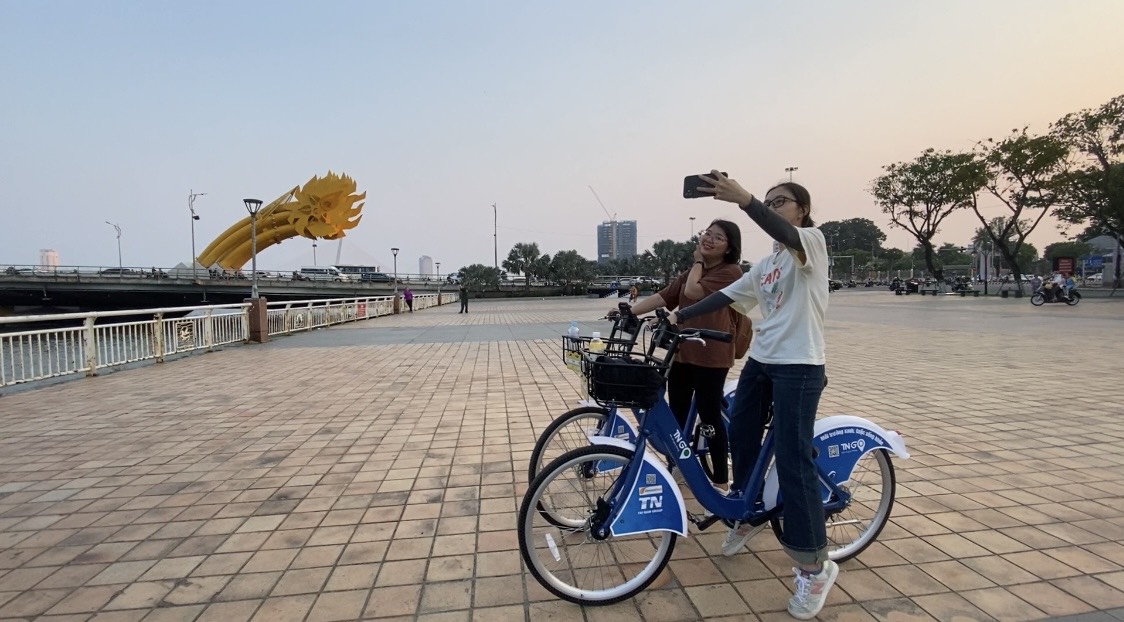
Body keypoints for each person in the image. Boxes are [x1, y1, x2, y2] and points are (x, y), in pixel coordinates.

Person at [669, 172, 836, 620]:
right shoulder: (766, 266)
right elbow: (726, 294)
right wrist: (679, 315)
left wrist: (745, 201)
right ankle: (749, 511)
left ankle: (814, 567)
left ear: (801, 210)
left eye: (781, 201)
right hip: (762, 361)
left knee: (792, 455)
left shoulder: (810, 243)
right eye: (769, 200)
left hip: (799, 364)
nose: (774, 206)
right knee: (739, 433)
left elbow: (781, 231)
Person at [623, 220, 743, 486]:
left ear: (728, 248)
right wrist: (627, 312)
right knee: (677, 410)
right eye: (707, 233)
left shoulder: (730, 272)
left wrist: (698, 261)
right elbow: (665, 296)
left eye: (718, 237)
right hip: (683, 352)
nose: (709, 239)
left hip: (712, 354)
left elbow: (692, 292)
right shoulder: (692, 271)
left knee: (708, 411)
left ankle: (721, 480)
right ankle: (678, 463)